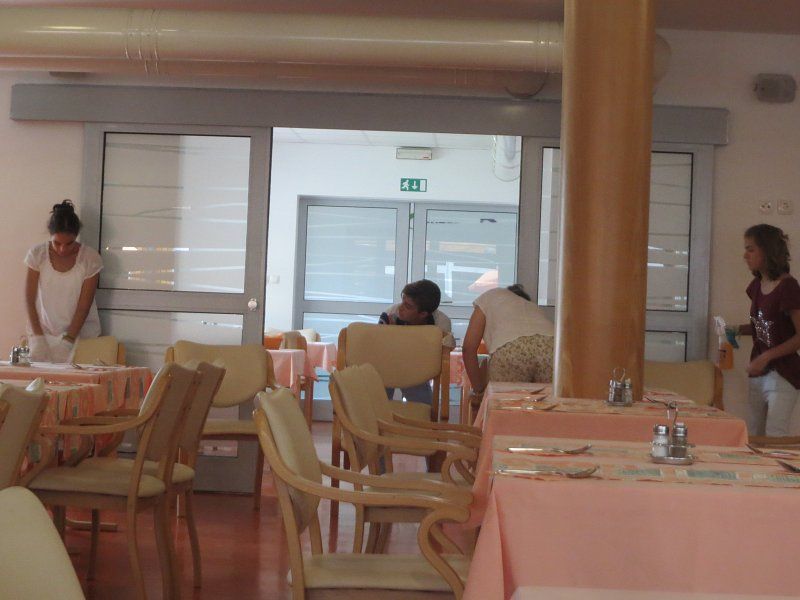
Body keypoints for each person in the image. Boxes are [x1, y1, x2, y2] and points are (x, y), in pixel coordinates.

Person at [733, 224, 800, 436]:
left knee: (774, 433)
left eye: (750, 249)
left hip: (783, 373)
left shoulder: (788, 287)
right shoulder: (756, 285)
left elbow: (799, 336)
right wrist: (736, 329)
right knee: (753, 433)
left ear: (767, 250)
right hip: (759, 371)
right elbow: (762, 326)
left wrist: (766, 356)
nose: (745, 255)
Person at [24, 200, 103, 363]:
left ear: (76, 236)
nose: (62, 249)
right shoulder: (37, 255)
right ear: (50, 235)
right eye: (57, 243)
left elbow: (83, 306)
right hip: (44, 332)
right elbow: (29, 299)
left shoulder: (90, 258)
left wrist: (68, 341)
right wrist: (38, 337)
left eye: (69, 244)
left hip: (82, 335)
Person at [462, 284, 554, 401]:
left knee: (504, 405)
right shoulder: (532, 307)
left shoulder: (490, 296)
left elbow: (468, 348)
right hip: (551, 348)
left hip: (512, 349)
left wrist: (479, 390)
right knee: (544, 405)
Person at [378, 279, 452, 405]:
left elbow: (440, 355)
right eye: (403, 301)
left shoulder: (441, 324)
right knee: (377, 403)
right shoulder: (390, 315)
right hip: (386, 364)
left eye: (408, 306)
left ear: (423, 314)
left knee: (425, 408)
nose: (400, 308)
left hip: (418, 368)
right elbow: (378, 350)